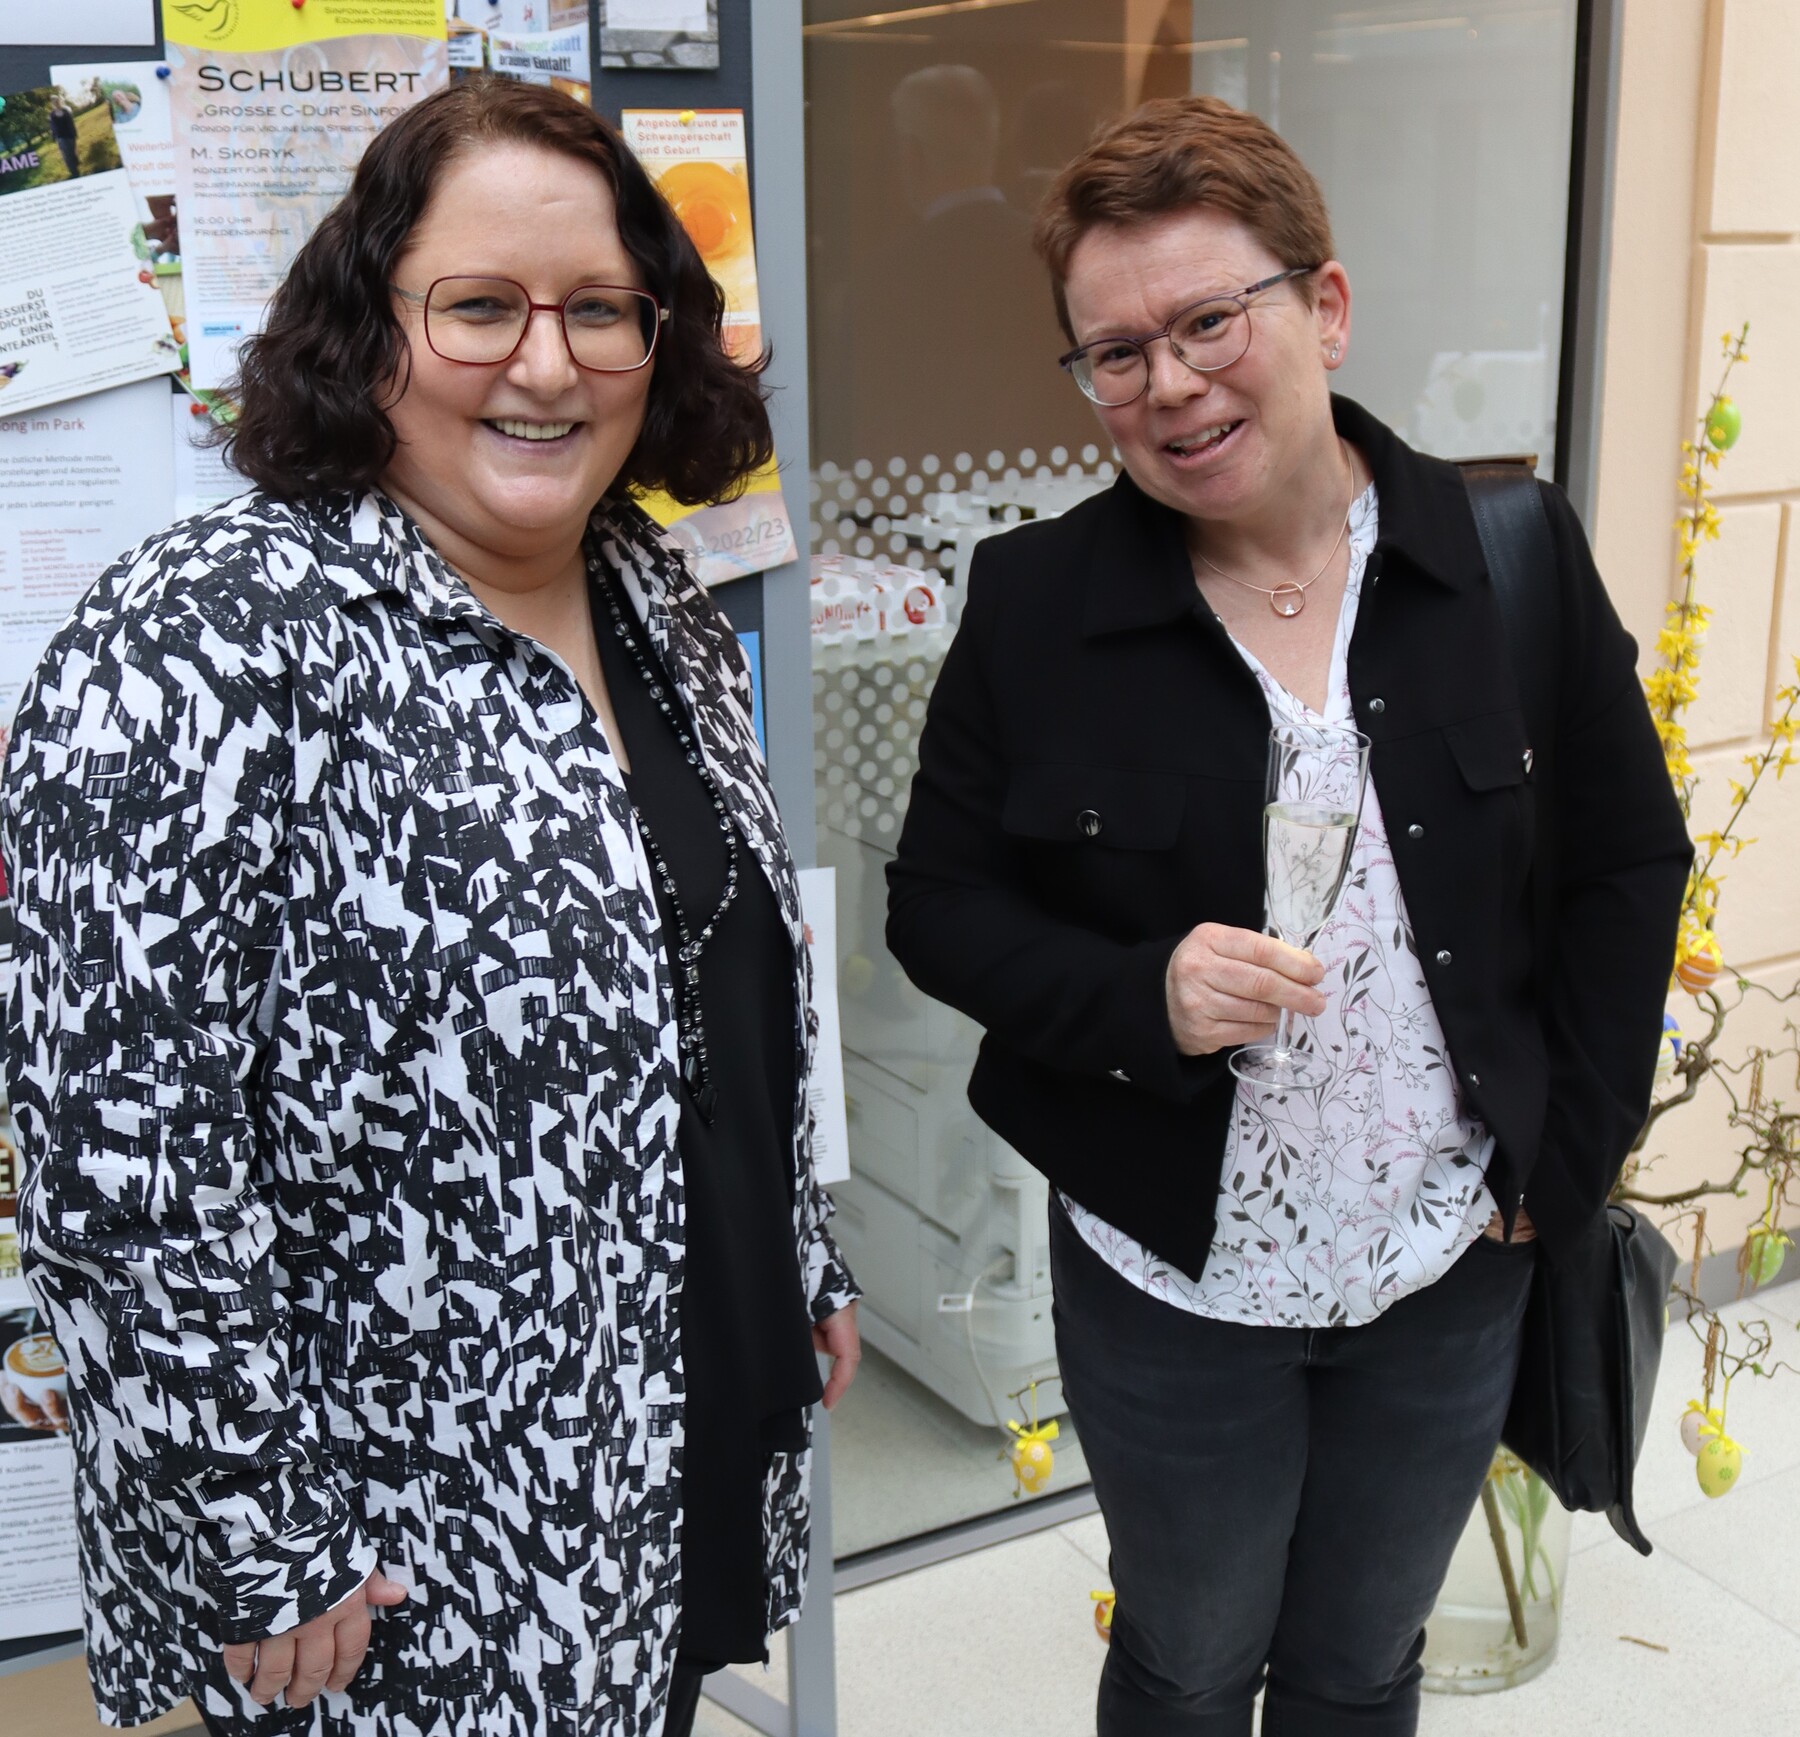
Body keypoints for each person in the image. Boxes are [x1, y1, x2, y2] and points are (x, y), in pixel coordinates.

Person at [4, 76, 858, 1737]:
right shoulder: (204, 637)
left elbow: (721, 970)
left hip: (664, 1437)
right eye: (478, 306)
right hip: (401, 1552)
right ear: (366, 331)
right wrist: (257, 1537)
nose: (546, 364)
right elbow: (121, 1156)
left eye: (599, 309)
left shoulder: (652, 594)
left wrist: (798, 1253)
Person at [886, 96, 1689, 1737]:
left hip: (1449, 1260)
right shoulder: (1041, 605)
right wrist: (1142, 993)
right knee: (1188, 1661)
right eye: (1115, 353)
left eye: (1208, 321)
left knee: (1362, 1662)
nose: (1169, 384)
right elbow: (939, 906)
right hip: (1172, 1276)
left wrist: (1567, 1153)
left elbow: (1626, 859)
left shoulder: (1508, 558)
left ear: (1324, 306)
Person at [47, 99, 80, 178]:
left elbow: (71, 122)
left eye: (57, 101)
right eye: (54, 102)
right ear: (52, 104)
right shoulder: (52, 114)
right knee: (66, 154)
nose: (56, 103)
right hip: (60, 137)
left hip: (70, 134)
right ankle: (73, 171)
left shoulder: (65, 111)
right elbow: (52, 126)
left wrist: (75, 133)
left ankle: (75, 163)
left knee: (72, 151)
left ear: (59, 102)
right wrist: (53, 136)